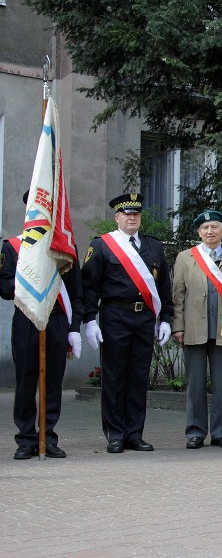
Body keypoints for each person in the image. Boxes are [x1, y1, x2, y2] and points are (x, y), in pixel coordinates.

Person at [81, 193, 174, 454]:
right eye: (126, 214)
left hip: (144, 318)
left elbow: (163, 286)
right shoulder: (102, 246)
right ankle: (115, 434)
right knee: (114, 377)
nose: (131, 218)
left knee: (137, 377)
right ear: (117, 218)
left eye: (136, 214)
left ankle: (135, 434)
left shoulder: (153, 247)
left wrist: (165, 318)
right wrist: (89, 320)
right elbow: (90, 286)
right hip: (114, 317)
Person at [0, 191, 83, 459]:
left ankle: (49, 436)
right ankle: (25, 439)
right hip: (26, 318)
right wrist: (30, 285)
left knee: (54, 380)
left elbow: (76, 291)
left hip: (57, 318)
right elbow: (3, 286)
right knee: (26, 380)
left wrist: (75, 328)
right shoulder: (13, 246)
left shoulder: (65, 246)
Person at [171, 210, 222, 449]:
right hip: (194, 329)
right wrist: (178, 326)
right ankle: (195, 432)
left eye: (214, 227)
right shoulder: (186, 257)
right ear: (199, 232)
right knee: (196, 384)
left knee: (221, 385)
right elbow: (178, 295)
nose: (210, 232)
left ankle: (220, 432)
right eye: (205, 228)